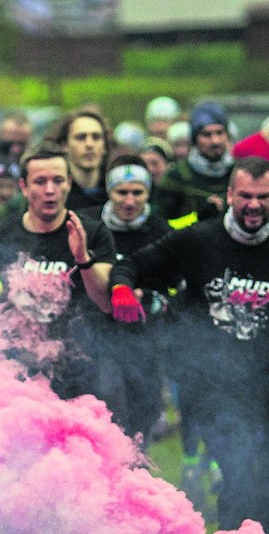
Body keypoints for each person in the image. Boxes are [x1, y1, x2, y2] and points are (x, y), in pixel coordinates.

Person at [108, 156, 269, 534]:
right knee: (238, 481)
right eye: (244, 195)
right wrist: (120, 287)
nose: (253, 205)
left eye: (262, 197)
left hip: (267, 386)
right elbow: (134, 264)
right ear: (229, 194)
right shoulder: (199, 240)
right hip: (210, 386)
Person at [0, 141, 115, 404]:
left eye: (57, 180)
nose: (50, 190)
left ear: (69, 183)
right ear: (24, 187)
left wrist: (83, 258)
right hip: (16, 373)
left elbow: (105, 301)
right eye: (40, 181)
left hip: (79, 371)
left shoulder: (92, 232)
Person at [82, 155, 173, 442]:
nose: (129, 201)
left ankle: (137, 458)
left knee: (144, 411)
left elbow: (174, 281)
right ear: (109, 191)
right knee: (108, 402)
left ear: (148, 193)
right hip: (99, 333)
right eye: (122, 192)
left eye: (138, 192)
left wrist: (149, 294)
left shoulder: (161, 231)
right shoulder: (89, 226)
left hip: (145, 337)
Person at [155, 102, 234, 226]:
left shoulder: (238, 172)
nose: (215, 141)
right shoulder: (176, 177)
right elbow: (161, 226)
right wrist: (197, 218)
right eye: (207, 135)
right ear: (194, 138)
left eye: (220, 133)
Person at [50, 108, 111, 212]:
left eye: (96, 137)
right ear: (64, 145)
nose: (89, 144)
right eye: (81, 137)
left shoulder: (117, 192)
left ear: (104, 145)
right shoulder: (52, 194)